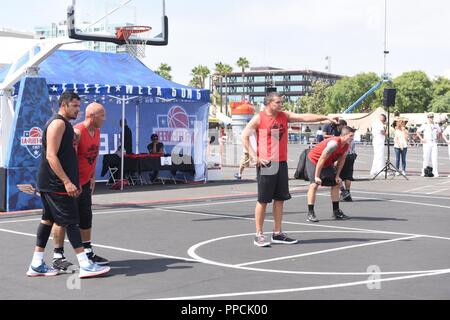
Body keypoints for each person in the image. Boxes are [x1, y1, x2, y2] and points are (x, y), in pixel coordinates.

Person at [27, 91, 110, 278]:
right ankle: (85, 265)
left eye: (79, 107)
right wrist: (67, 181)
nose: (78, 110)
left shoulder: (66, 126)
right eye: (75, 106)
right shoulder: (58, 123)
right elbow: (51, 155)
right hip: (56, 184)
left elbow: (69, 157)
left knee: (47, 220)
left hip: (54, 183)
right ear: (63, 104)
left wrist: (82, 180)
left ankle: (36, 263)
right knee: (71, 221)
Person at [241, 92, 337, 247]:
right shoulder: (259, 118)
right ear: (269, 103)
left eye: (281, 102)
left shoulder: (284, 116)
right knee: (263, 200)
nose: (281, 105)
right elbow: (244, 136)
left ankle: (277, 233)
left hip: (281, 163)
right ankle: (258, 234)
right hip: (267, 165)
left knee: (280, 199)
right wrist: (255, 157)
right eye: (278, 102)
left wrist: (325, 117)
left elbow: (305, 117)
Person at [51, 102, 110, 273]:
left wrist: (92, 176)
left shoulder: (97, 131)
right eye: (102, 116)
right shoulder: (77, 132)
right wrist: (70, 183)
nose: (104, 119)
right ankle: (58, 255)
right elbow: (68, 159)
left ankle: (88, 251)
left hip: (85, 183)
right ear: (92, 116)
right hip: (72, 184)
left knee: (86, 218)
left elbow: (95, 154)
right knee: (62, 220)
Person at [305, 126, 355, 223]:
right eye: (351, 136)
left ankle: (336, 212)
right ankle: (310, 213)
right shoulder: (334, 143)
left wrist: (337, 176)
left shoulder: (346, 145)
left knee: (336, 184)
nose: (352, 138)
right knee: (314, 185)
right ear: (344, 135)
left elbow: (342, 160)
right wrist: (316, 176)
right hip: (314, 160)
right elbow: (321, 159)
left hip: (327, 163)